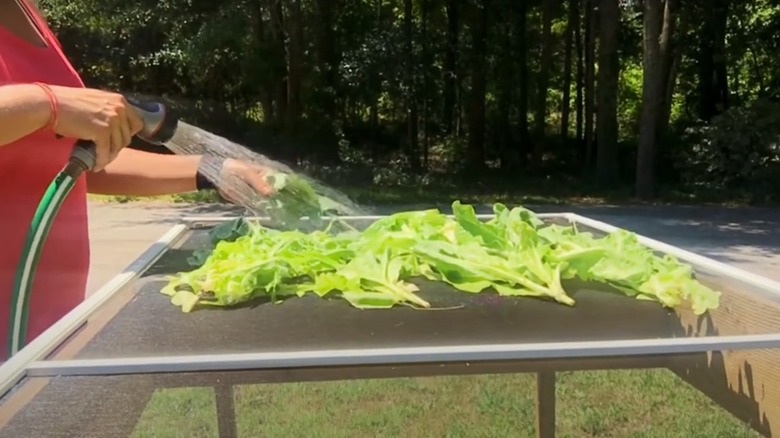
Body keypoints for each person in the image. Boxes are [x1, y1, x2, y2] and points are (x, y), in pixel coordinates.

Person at [0, 0, 274, 360]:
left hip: (47, 326)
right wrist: (48, 103)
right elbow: (47, 111)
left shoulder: (24, 10)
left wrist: (210, 169)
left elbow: (63, 162)